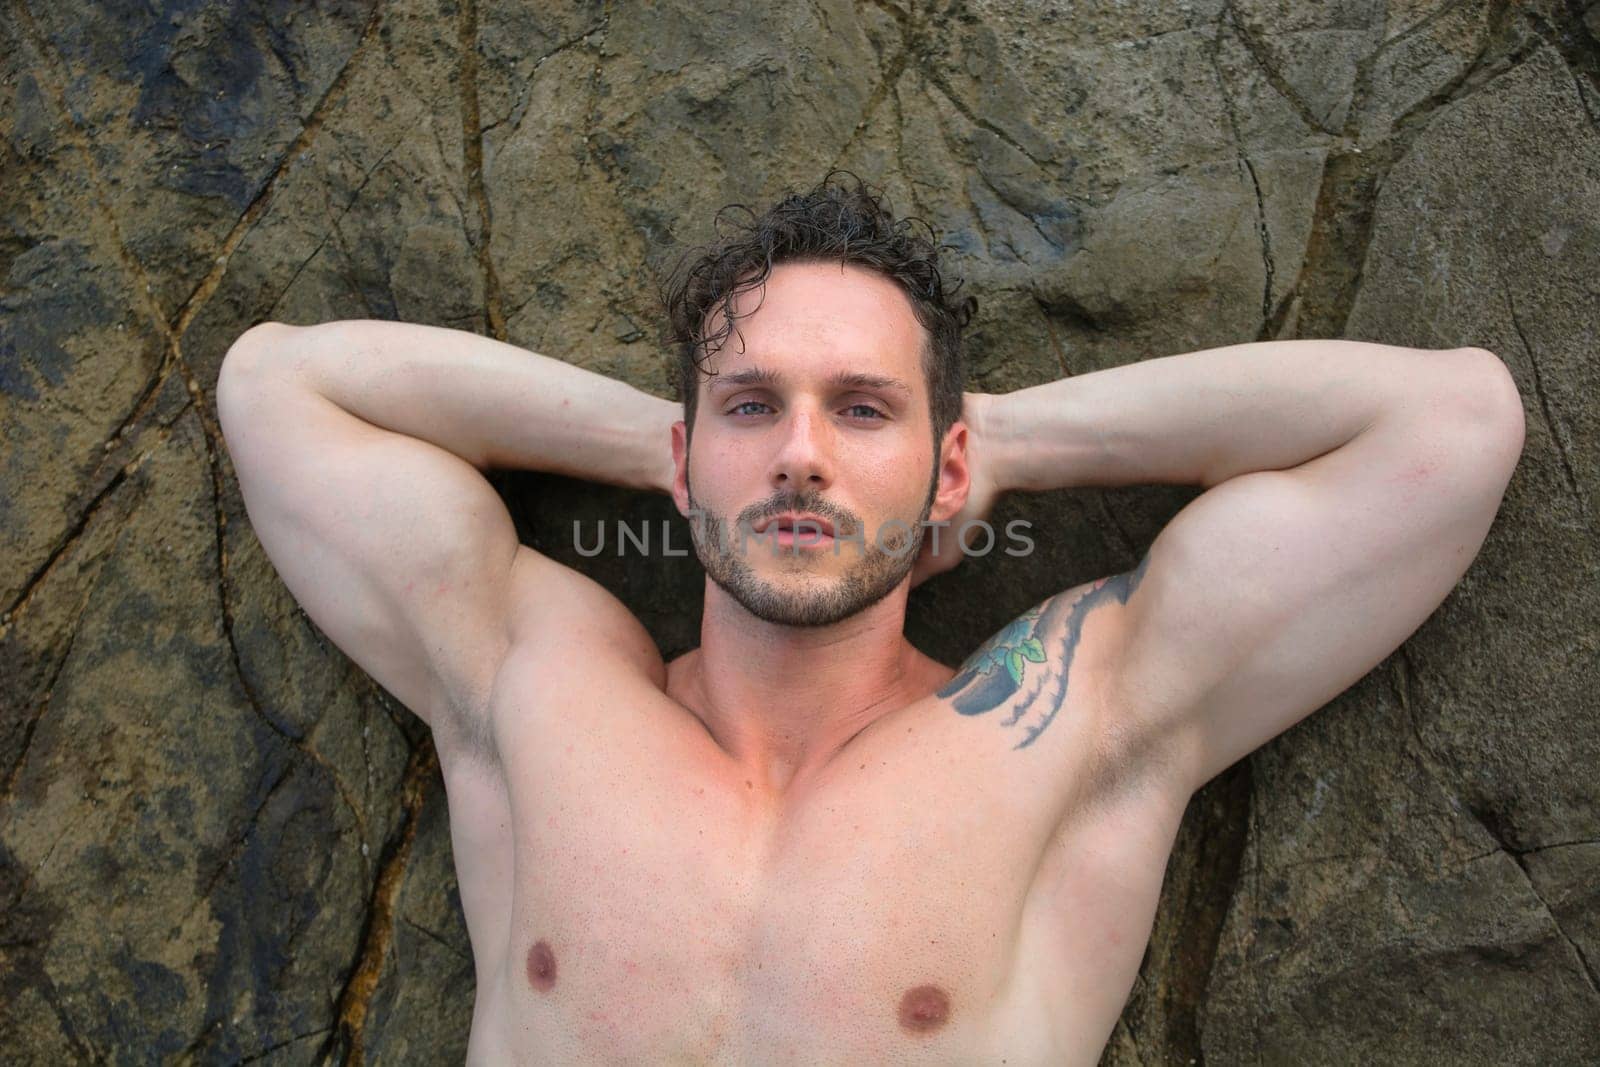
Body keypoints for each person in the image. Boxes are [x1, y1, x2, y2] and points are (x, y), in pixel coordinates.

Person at [215, 173, 1525, 1064]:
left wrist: (1007, 442)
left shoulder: (1067, 727)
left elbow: (1452, 425)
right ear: (681, 462)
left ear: (945, 470)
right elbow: (278, 387)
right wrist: (670, 442)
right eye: (750, 407)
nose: (799, 455)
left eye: (861, 408)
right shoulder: (537, 684)